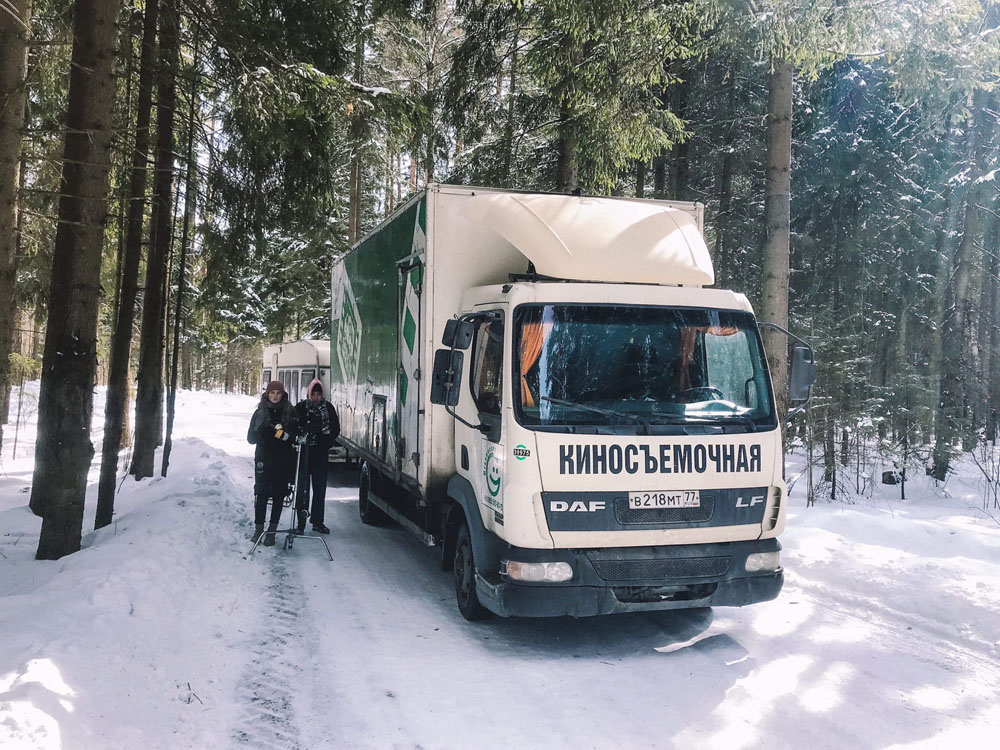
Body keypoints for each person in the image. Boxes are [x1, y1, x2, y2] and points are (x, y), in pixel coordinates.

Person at [247, 380, 299, 546]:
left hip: (283, 460)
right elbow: (250, 438)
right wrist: (264, 431)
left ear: (282, 394)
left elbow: (296, 434)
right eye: (272, 393)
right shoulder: (260, 413)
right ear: (267, 394)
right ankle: (259, 529)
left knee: (278, 495)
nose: (275, 396)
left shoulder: (290, 412)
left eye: (278, 393)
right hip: (264, 458)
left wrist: (286, 435)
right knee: (261, 494)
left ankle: (272, 532)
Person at [293, 378, 340, 534]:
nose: (317, 398)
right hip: (304, 454)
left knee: (319, 490)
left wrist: (324, 440)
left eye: (319, 395)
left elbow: (335, 429)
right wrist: (300, 434)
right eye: (314, 394)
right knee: (302, 489)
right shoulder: (301, 408)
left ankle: (318, 521)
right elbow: (292, 425)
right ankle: (300, 521)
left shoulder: (328, 409)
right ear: (309, 394)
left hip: (320, 454)